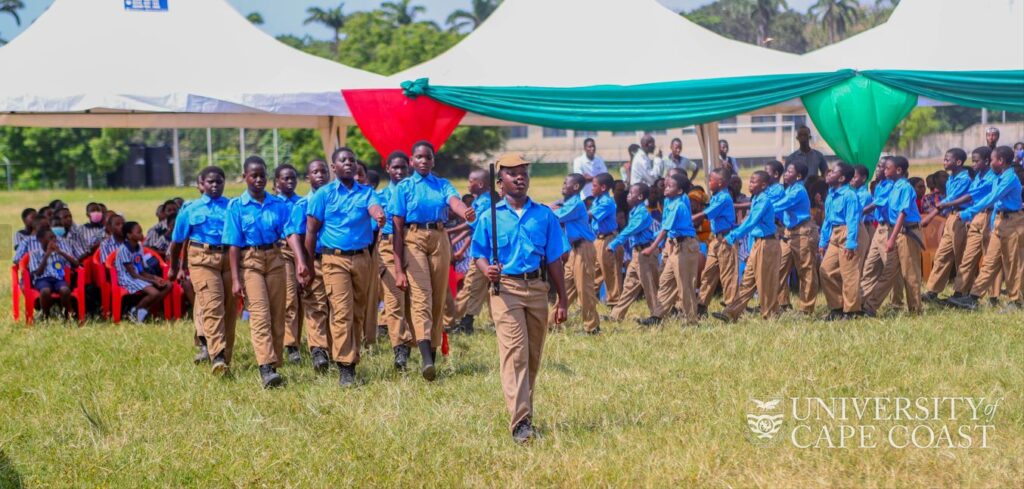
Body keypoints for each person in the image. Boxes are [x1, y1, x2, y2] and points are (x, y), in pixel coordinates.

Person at [470, 153, 569, 444]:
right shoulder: (490, 215)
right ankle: (521, 423)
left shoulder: (544, 215)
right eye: (513, 173)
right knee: (515, 353)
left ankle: (525, 412)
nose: (520, 177)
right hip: (505, 290)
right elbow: (479, 253)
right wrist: (485, 269)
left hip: (537, 288)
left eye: (523, 172)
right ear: (500, 183)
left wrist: (562, 300)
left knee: (532, 356)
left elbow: (554, 260)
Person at [391, 141, 475, 382]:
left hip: (440, 237)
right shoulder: (404, 187)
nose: (424, 161)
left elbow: (455, 202)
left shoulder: (442, 184)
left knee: (439, 298)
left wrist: (465, 212)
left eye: (428, 157)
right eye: (419, 157)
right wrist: (398, 269)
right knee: (421, 296)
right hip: (412, 238)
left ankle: (433, 355)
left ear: (433, 161)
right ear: (412, 161)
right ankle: (426, 358)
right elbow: (397, 228)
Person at [305, 147, 386, 387]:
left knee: (358, 312)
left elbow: (374, 208)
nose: (349, 163)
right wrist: (308, 266)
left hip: (362, 259)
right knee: (341, 311)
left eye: (352, 159)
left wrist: (379, 214)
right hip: (334, 260)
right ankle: (345, 368)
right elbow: (310, 231)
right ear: (334, 167)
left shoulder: (367, 192)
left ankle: (352, 357)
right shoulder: (324, 194)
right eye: (343, 160)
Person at [224, 157, 291, 389]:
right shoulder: (236, 207)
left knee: (277, 314)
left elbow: (290, 232)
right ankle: (266, 367)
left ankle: (275, 359)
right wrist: (234, 278)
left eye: (262, 175)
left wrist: (302, 261)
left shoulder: (278, 205)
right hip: (249, 261)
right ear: (245, 177)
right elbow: (233, 245)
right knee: (260, 314)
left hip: (275, 258)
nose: (259, 179)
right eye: (254, 175)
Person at [169, 166, 236, 376]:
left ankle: (226, 357)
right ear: (202, 184)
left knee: (230, 310)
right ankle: (216, 355)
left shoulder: (233, 207)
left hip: (227, 259)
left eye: (219, 182)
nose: (215, 186)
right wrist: (173, 268)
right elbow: (177, 243)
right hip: (202, 259)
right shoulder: (190, 209)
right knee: (212, 305)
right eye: (210, 182)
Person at [948, 146, 1023, 309]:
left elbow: (992, 197)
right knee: (989, 261)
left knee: (1012, 262)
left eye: (993, 160)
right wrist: (991, 224)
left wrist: (969, 212)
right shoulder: (999, 176)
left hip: (1013, 223)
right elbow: (995, 203)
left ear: (1001, 161)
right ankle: (973, 298)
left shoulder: (1009, 178)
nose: (991, 164)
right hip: (1000, 221)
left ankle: (1015, 300)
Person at [368, 152, 416, 369]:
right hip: (387, 248)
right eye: (395, 167)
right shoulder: (379, 196)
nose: (399, 171)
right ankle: (400, 349)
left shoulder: (415, 192)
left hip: (413, 245)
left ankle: (422, 344)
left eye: (403, 168)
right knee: (394, 299)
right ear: (387, 168)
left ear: (409, 169)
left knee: (416, 300)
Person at [713, 171, 781, 322]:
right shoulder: (756, 198)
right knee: (747, 279)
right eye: (750, 181)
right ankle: (731, 313)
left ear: (763, 185)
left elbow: (752, 222)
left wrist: (732, 236)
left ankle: (770, 316)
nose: (750, 184)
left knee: (765, 281)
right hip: (758, 244)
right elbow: (748, 221)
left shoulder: (764, 200)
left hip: (767, 244)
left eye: (754, 181)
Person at [285, 160, 332, 373]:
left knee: (339, 309)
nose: (320, 175)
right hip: (315, 260)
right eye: (315, 172)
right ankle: (318, 351)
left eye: (324, 171)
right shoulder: (302, 205)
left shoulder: (337, 201)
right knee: (316, 305)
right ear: (308, 178)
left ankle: (337, 349)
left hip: (337, 260)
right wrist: (302, 263)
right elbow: (292, 233)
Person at [639, 173, 699, 325]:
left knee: (685, 285)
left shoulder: (678, 204)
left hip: (685, 246)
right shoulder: (668, 201)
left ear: (679, 191)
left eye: (670, 186)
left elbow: (665, 228)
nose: (666, 188)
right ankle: (657, 316)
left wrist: (652, 247)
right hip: (675, 246)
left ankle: (692, 321)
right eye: (666, 185)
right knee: (666, 281)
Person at [444, 168, 493, 336]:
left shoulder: (485, 202)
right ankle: (467, 321)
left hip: (483, 251)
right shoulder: (480, 201)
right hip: (480, 248)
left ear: (479, 184)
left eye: (470, 181)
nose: (467, 184)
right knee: (479, 287)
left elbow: (470, 225)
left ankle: (450, 319)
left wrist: (448, 232)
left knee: (471, 285)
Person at [549, 173, 600, 334]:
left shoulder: (576, 204)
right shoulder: (569, 203)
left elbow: (556, 216)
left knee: (584, 289)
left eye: (566, 183)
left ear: (576, 187)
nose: (563, 185)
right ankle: (551, 322)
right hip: (574, 250)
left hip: (584, 249)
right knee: (565, 287)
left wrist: (545, 208)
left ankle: (591, 327)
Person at [948, 147, 999, 302]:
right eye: (973, 161)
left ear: (987, 161)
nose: (974, 164)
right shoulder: (976, 177)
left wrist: (947, 205)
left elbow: (972, 195)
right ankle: (959, 293)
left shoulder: (993, 178)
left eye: (977, 161)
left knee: (989, 258)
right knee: (967, 257)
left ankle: (993, 296)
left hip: (989, 215)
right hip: (977, 217)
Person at [921, 149, 971, 302]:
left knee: (961, 257)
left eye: (947, 159)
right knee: (942, 255)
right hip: (951, 218)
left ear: (958, 162)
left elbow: (951, 198)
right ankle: (932, 291)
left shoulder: (964, 179)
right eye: (944, 159)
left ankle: (962, 292)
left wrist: (930, 216)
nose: (944, 162)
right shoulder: (951, 179)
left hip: (961, 218)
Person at [878, 156, 925, 315]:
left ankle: (915, 309)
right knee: (888, 271)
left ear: (898, 170)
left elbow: (902, 213)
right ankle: (870, 306)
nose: (884, 170)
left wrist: (891, 238)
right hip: (896, 232)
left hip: (907, 232)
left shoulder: (905, 187)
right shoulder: (893, 186)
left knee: (910, 273)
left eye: (887, 168)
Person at [818, 163, 865, 320]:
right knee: (826, 270)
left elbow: (852, 220)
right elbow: (827, 220)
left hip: (847, 232)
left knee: (849, 273)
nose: (828, 173)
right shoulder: (831, 194)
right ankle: (837, 306)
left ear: (842, 178)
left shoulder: (849, 195)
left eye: (833, 171)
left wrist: (851, 243)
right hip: (834, 234)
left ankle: (852, 311)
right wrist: (822, 242)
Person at [607, 183, 659, 321]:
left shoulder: (641, 213)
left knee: (649, 285)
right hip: (638, 253)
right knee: (629, 284)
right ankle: (616, 315)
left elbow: (629, 231)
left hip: (645, 253)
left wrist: (613, 244)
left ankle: (656, 315)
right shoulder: (634, 211)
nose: (628, 196)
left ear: (640, 196)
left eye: (631, 193)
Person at [272, 164, 306, 365]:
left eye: (293, 178)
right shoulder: (274, 203)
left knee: (304, 298)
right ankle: (291, 344)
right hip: (283, 250)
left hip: (303, 250)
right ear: (277, 182)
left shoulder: (302, 202)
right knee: (290, 297)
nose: (290, 181)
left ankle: (297, 339)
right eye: (285, 178)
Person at [691, 168, 737, 316]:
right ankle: (701, 306)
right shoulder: (716, 197)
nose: (708, 182)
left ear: (721, 182)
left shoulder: (724, 198)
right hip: (716, 240)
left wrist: (688, 219)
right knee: (708, 273)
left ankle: (731, 309)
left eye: (711, 180)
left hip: (726, 239)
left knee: (727, 275)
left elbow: (707, 214)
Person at [775, 161, 818, 314]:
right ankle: (783, 303)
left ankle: (806, 308)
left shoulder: (798, 191)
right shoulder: (789, 189)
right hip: (788, 232)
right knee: (779, 266)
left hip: (803, 232)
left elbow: (781, 205)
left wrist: (762, 209)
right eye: (786, 171)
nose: (786, 173)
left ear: (799, 176)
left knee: (805, 270)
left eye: (789, 171)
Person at [117, 221, 173, 324]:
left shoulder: (139, 247)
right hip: (127, 277)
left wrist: (155, 278)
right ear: (129, 235)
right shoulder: (124, 250)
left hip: (138, 276)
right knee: (154, 293)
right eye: (138, 232)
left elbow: (141, 270)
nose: (142, 234)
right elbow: (133, 274)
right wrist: (153, 281)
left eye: (141, 231)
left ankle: (144, 311)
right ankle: (134, 313)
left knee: (168, 285)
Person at [28, 227, 80, 322]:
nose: (54, 240)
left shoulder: (59, 252)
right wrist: (47, 255)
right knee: (45, 291)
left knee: (65, 290)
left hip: (58, 279)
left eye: (54, 237)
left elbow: (76, 264)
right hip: (42, 279)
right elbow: (38, 272)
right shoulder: (35, 254)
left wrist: (61, 253)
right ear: (41, 240)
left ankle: (68, 314)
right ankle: (45, 315)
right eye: (50, 238)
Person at [590, 173, 623, 306]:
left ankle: (615, 305)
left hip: (608, 240)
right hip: (598, 240)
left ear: (603, 187)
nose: (591, 188)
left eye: (594, 185)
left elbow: (589, 214)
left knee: (611, 273)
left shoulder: (607, 202)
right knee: (595, 272)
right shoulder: (597, 200)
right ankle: (586, 302)